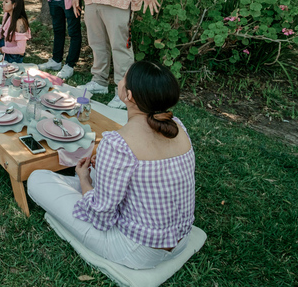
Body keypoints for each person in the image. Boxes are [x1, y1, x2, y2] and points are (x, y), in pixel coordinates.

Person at [27, 60, 195, 270]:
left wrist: (84, 179)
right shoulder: (179, 127)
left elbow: (101, 218)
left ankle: (80, 184)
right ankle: (89, 184)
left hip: (137, 251)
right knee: (96, 180)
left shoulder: (117, 144)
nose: (120, 79)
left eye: (124, 76)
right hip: (180, 241)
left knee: (37, 179)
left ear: (129, 95)